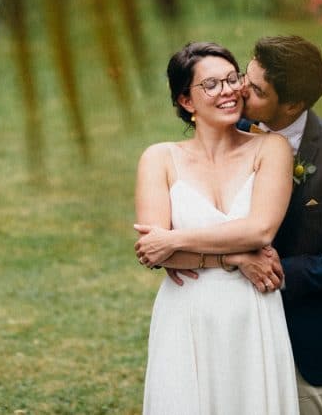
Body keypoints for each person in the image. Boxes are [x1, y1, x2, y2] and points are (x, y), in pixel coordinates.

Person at [185, 35, 322, 415]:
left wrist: (287, 272)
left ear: (291, 103)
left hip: (303, 332)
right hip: (226, 321)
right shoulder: (225, 128)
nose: (240, 88)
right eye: (246, 74)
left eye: (256, 88)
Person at [133, 41, 299, 414]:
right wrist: (236, 258)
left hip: (252, 311)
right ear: (186, 101)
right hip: (187, 314)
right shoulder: (159, 159)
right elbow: (154, 251)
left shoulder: (270, 149)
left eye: (231, 79)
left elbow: (260, 231)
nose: (227, 91)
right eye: (210, 85)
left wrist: (177, 240)